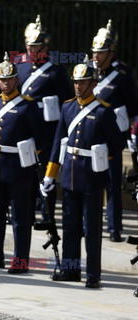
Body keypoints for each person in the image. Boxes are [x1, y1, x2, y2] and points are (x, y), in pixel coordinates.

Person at [40, 55, 125, 288]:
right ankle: (71, 269)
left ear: (92, 83)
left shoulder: (103, 111)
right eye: (75, 82)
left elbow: (117, 143)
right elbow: (58, 143)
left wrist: (102, 154)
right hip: (69, 175)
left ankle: (93, 274)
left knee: (92, 228)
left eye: (82, 82)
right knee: (70, 225)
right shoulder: (67, 107)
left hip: (91, 176)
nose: (78, 86)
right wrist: (50, 174)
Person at [0, 53, 48, 274]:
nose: (6, 83)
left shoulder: (27, 106)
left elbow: (41, 139)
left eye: (10, 79)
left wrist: (27, 155)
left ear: (17, 80)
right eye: (2, 80)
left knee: (20, 218)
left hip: (19, 169)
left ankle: (20, 261)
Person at [16, 15, 73, 230]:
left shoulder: (55, 70)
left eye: (36, 47)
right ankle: (27, 212)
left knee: (46, 170)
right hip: (25, 126)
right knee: (26, 170)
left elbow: (66, 101)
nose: (31, 50)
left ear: (45, 47)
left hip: (47, 128)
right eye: (29, 46)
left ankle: (47, 214)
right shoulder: (19, 66)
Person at [90, 20, 138, 242]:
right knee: (88, 183)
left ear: (111, 54)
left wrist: (130, 134)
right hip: (90, 135)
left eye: (100, 53)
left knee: (111, 183)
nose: (96, 57)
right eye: (94, 52)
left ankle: (113, 228)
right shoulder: (88, 72)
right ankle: (87, 223)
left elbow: (133, 108)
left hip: (112, 138)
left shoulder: (122, 76)